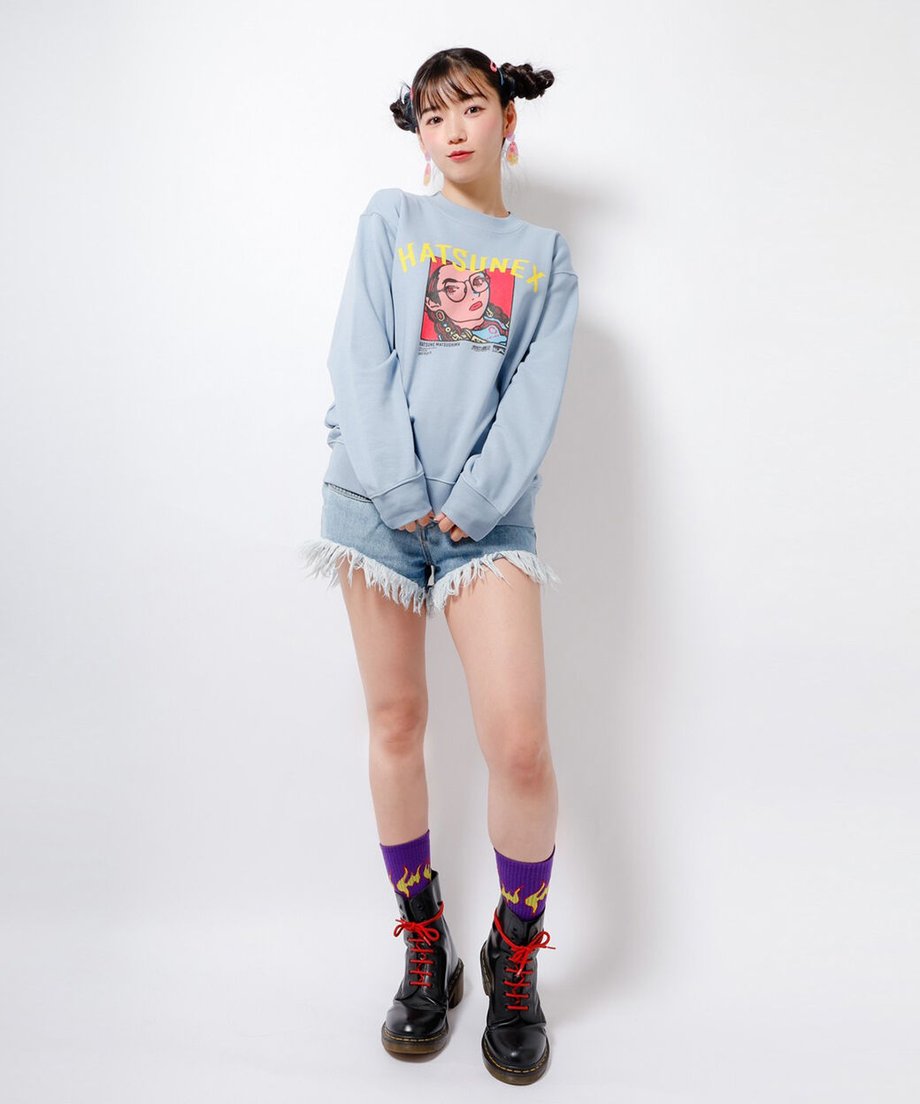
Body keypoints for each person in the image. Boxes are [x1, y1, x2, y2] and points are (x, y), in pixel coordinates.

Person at [300, 46, 579, 1085]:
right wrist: (400, 491)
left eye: (469, 106)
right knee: (396, 723)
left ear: (508, 118)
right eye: (431, 115)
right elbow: (358, 359)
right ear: (417, 136)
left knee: (520, 748)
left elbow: (533, 399)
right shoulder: (391, 221)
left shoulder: (545, 256)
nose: (452, 128)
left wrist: (466, 504)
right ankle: (426, 943)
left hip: (486, 523)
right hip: (372, 509)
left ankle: (514, 952)